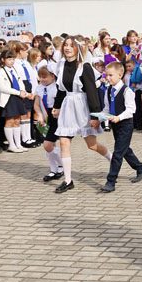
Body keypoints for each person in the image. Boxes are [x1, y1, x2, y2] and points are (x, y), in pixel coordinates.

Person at [52, 38, 111, 193]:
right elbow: (60, 89)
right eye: (66, 45)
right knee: (63, 142)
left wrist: (95, 116)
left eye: (71, 45)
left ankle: (113, 161)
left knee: (92, 145)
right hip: (68, 106)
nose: (68, 48)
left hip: (83, 106)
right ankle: (68, 180)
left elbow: (92, 92)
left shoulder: (85, 67)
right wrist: (56, 106)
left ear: (78, 48)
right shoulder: (62, 65)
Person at [98, 61, 142, 192]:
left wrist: (119, 117)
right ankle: (141, 168)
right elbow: (106, 108)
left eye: (111, 75)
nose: (108, 78)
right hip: (115, 125)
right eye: (107, 75)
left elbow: (131, 110)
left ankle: (111, 181)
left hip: (125, 124)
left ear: (120, 75)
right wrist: (99, 118)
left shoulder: (127, 91)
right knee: (124, 149)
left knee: (118, 153)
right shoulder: (108, 90)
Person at [0, 48, 34, 153]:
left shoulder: (14, 70)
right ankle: (11, 145)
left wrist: (24, 92)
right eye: (9, 59)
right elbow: (3, 88)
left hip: (17, 98)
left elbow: (20, 82)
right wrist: (18, 92)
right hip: (9, 98)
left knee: (17, 120)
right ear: (3, 59)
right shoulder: (0, 71)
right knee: (10, 121)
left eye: (13, 59)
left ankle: (18, 144)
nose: (11, 61)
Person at [34, 66, 64, 180]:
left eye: (44, 77)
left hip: (57, 117)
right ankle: (54, 169)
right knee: (49, 146)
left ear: (52, 76)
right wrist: (40, 115)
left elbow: (61, 103)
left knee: (47, 145)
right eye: (40, 77)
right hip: (47, 118)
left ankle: (62, 165)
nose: (42, 79)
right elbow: (36, 104)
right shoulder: (39, 88)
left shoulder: (57, 88)